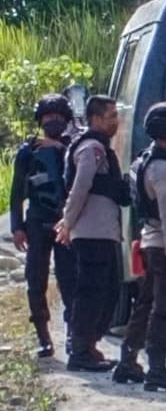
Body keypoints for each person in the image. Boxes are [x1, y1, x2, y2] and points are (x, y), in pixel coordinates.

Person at [116, 103, 166, 391]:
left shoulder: (145, 160)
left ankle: (127, 361)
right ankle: (158, 370)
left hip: (153, 242)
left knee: (146, 303)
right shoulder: (163, 167)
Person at [57, 94, 131, 372]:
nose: (117, 121)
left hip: (102, 233)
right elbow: (80, 187)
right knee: (91, 293)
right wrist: (67, 222)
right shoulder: (92, 148)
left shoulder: (101, 148)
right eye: (112, 116)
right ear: (96, 119)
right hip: (91, 234)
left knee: (107, 291)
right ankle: (80, 351)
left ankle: (88, 346)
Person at [9, 94, 78, 358]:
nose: (54, 122)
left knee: (70, 279)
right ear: (40, 120)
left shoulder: (74, 146)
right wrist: (17, 226)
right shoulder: (28, 152)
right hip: (37, 222)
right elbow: (17, 193)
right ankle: (43, 337)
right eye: (48, 117)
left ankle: (73, 336)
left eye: (59, 117)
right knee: (35, 279)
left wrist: (59, 148)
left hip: (65, 223)